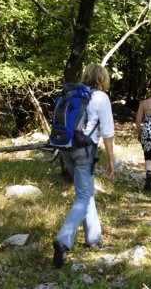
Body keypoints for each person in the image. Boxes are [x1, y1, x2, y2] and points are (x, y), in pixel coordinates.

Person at [52, 64, 115, 269]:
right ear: (102, 79)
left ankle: (94, 238)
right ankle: (63, 239)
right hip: (84, 151)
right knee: (83, 195)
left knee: (85, 193)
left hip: (65, 147)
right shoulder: (101, 98)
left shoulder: (74, 94)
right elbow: (107, 132)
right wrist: (111, 160)